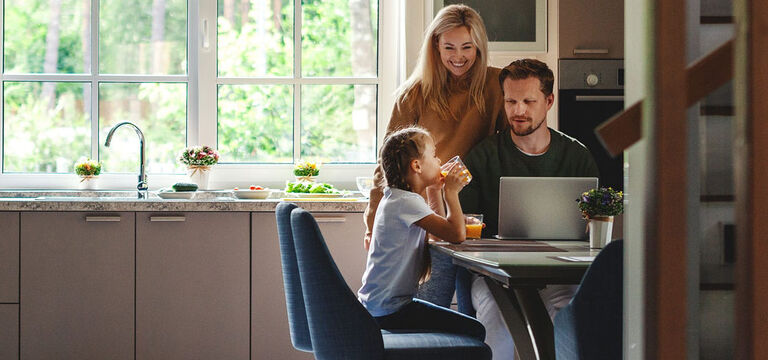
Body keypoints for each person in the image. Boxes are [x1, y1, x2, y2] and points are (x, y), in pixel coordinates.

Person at [363, 4, 506, 313]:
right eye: (449, 47)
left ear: (479, 47)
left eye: (467, 47)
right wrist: (372, 223)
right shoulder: (414, 94)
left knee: (478, 311)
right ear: (435, 46)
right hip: (430, 216)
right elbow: (385, 165)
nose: (459, 56)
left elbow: (508, 147)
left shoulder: (496, 86)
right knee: (428, 305)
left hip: (481, 221)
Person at [458, 58, 599, 358]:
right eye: (511, 101)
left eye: (528, 101)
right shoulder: (483, 157)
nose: (518, 110)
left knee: (568, 319)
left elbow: (595, 227)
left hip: (559, 275)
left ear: (548, 101)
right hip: (495, 276)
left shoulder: (577, 157)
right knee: (495, 322)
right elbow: (465, 227)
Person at [357, 126, 485, 340]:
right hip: (390, 312)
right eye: (434, 155)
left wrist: (434, 190)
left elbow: (437, 235)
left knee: (463, 327)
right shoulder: (406, 202)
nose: (439, 161)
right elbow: (456, 235)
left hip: (381, 307)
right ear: (416, 165)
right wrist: (451, 193)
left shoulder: (399, 199)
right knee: (474, 330)